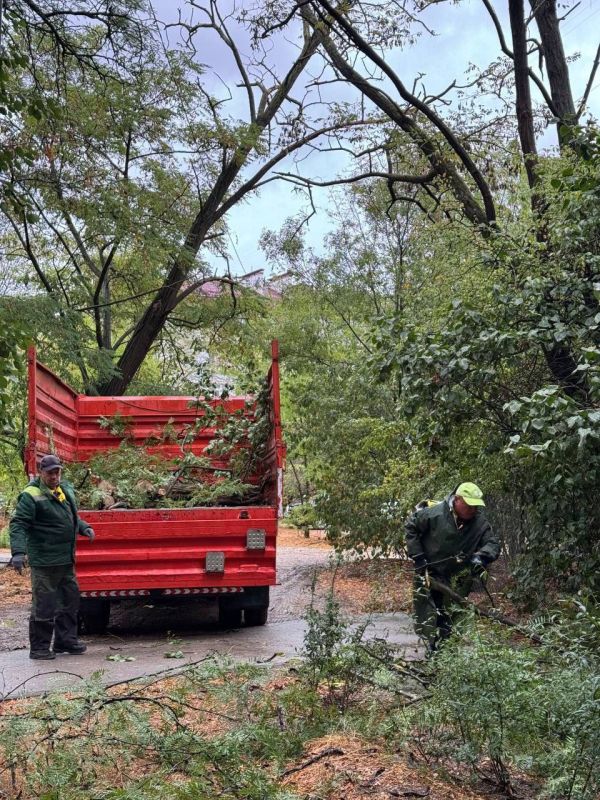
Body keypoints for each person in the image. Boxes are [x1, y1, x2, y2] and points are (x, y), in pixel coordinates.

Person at [9, 454, 96, 660]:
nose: (54, 476)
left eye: (57, 472)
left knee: (69, 601)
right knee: (44, 605)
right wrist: (18, 552)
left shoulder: (63, 490)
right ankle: (39, 648)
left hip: (65, 560)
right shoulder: (31, 495)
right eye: (50, 473)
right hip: (45, 561)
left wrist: (84, 527)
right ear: (41, 472)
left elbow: (71, 516)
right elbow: (18, 524)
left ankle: (65, 641)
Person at [405, 481, 500, 653]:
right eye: (469, 505)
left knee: (449, 617)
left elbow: (492, 543)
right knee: (428, 614)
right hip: (429, 572)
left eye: (476, 506)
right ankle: (433, 650)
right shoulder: (434, 514)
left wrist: (481, 557)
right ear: (457, 500)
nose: (473, 510)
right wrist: (418, 557)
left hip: (457, 577)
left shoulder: (480, 523)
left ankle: (443, 654)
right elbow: (411, 527)